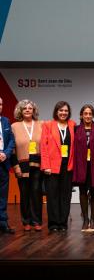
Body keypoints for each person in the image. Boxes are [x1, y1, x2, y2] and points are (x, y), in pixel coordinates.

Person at [41, 101, 76, 232]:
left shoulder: (72, 125)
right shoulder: (48, 125)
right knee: (53, 196)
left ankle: (63, 223)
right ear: (56, 112)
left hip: (68, 166)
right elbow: (43, 147)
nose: (63, 113)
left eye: (66, 111)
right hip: (52, 167)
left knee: (66, 195)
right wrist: (46, 166)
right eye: (61, 110)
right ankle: (53, 224)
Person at [11, 99, 43, 231]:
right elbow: (12, 148)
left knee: (36, 193)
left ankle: (37, 221)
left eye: (30, 108)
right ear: (20, 111)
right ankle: (26, 221)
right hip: (21, 165)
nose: (28, 110)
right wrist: (16, 166)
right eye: (25, 109)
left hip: (38, 164)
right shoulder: (14, 126)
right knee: (24, 194)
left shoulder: (41, 124)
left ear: (34, 111)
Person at [73, 104, 94, 230]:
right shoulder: (75, 129)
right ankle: (85, 219)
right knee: (82, 192)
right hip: (81, 165)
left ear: (93, 115)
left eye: (90, 113)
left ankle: (93, 219)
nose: (88, 116)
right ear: (81, 115)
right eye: (85, 113)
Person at [0, 97, 16, 234]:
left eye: (0, 104)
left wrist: (5, 153)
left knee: (3, 195)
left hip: (3, 163)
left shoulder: (5, 121)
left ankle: (3, 222)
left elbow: (11, 140)